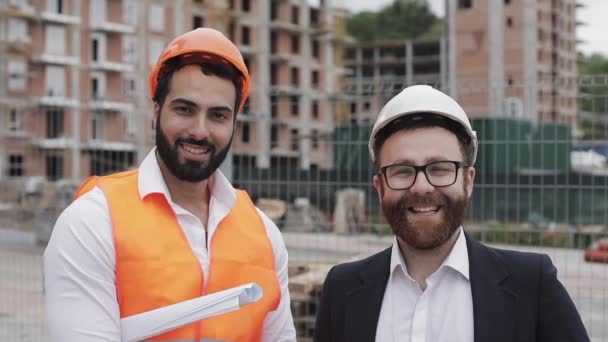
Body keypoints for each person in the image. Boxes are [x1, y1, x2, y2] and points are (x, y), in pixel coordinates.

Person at [43, 28, 296, 342]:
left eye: (218, 115)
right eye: (185, 109)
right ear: (156, 111)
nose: (200, 130)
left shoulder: (265, 234)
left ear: (233, 124)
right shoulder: (93, 221)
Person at [313, 85, 589, 342]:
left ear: (468, 182)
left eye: (440, 169)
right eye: (402, 171)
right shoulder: (342, 289)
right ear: (380, 187)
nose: (422, 186)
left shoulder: (531, 284)